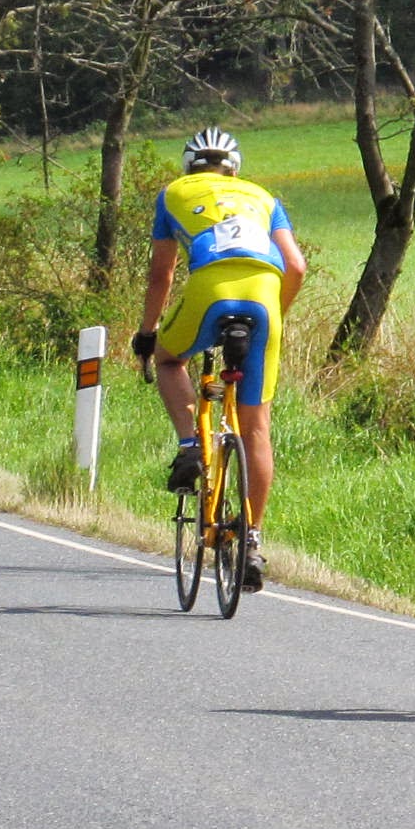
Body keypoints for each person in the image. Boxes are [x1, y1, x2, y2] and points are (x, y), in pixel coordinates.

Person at [131, 127, 307, 592]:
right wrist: (275, 316)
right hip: (265, 297)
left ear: (190, 166)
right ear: (235, 169)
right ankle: (251, 540)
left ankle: (191, 445)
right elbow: (296, 266)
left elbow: (161, 273)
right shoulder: (263, 197)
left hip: (210, 290)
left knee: (169, 361)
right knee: (256, 427)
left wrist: (147, 334)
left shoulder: (173, 193)